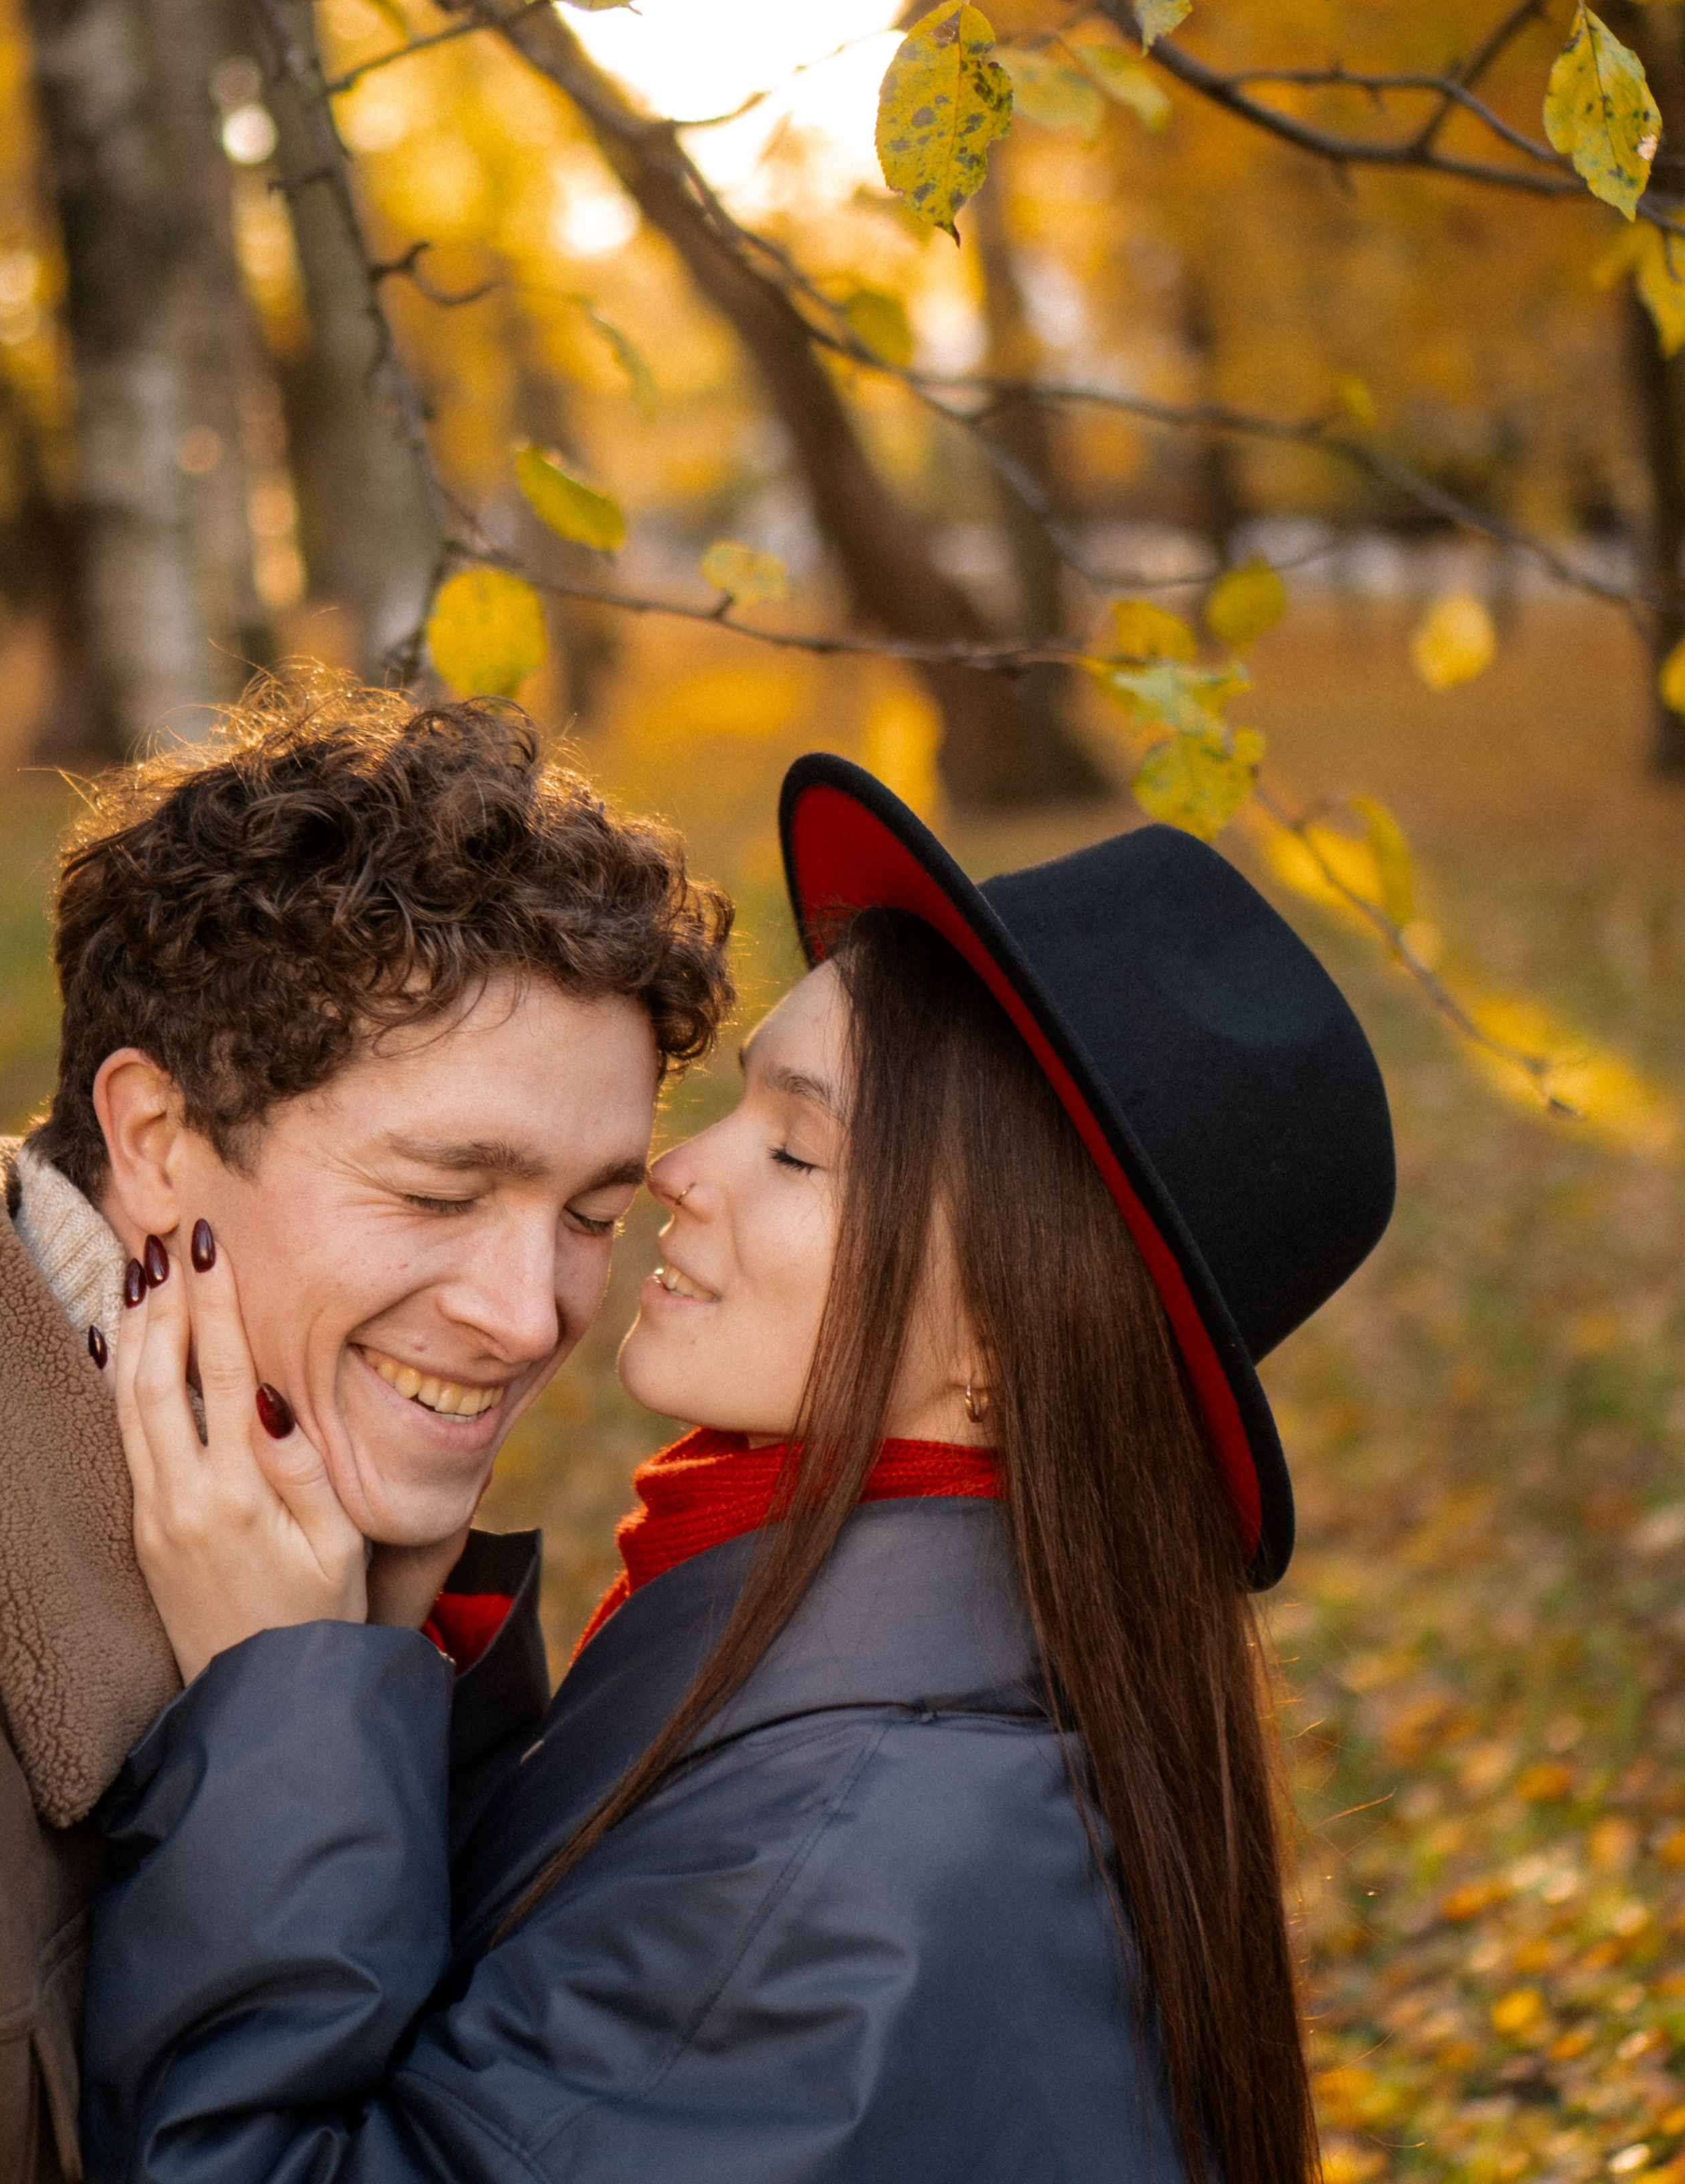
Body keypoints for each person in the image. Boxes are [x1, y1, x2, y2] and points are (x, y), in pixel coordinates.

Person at [82, 751, 1397, 2184]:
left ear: (1007, 1344)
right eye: (741, 1104)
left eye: (799, 1152)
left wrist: (278, 1704)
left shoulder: (846, 1853)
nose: (676, 1171)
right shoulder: (841, 1654)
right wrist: (390, 1650)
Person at [0, 675, 731, 2184]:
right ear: (157, 1139)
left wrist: (371, 1671)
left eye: (592, 1214)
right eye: (439, 1194)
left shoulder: (351, 1546)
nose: (530, 1316)